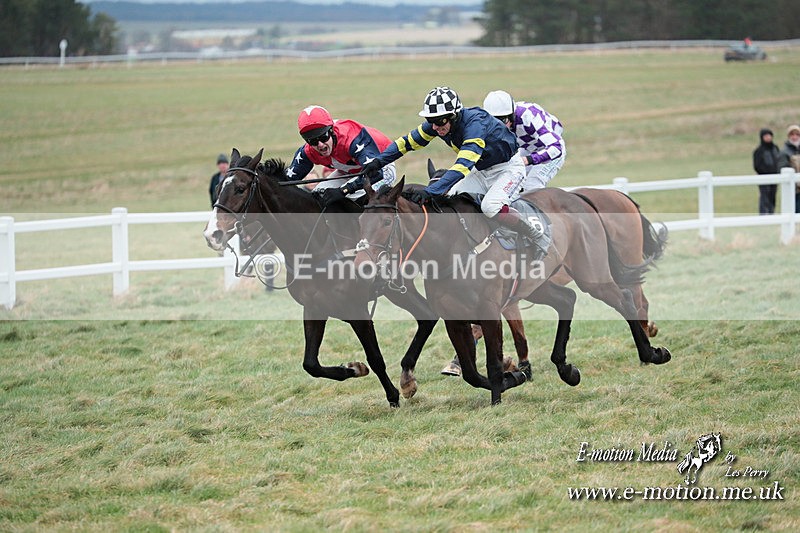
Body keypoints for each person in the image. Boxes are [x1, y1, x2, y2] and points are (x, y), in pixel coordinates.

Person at [361, 86, 543, 242]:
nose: (435, 127)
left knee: (490, 207)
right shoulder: (438, 124)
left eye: (439, 121)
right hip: (481, 170)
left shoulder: (475, 125)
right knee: (452, 201)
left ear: (454, 116)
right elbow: (405, 143)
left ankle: (534, 235)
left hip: (508, 169)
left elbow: (462, 166)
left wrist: (430, 192)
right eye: (430, 121)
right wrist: (378, 162)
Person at [285, 105, 397, 209]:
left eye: (323, 137)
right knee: (319, 195)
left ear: (331, 130)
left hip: (381, 168)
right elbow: (286, 181)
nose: (320, 145)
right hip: (351, 171)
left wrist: (343, 190)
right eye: (312, 141)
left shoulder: (352, 139)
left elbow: (375, 174)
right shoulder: (308, 151)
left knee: (353, 195)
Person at [482, 90, 565, 192]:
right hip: (526, 149)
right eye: (494, 121)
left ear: (512, 115)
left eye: (503, 121)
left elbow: (556, 147)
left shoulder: (528, 116)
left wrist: (528, 159)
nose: (499, 127)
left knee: (532, 185)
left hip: (551, 150)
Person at [752, 128, 780, 215]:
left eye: (769, 136)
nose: (768, 138)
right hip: (764, 178)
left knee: (772, 196)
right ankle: (763, 215)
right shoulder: (759, 151)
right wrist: (765, 173)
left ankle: (771, 213)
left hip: (775, 177)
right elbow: (757, 165)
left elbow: (778, 161)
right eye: (766, 136)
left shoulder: (775, 148)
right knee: (764, 197)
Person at [778, 124, 800, 213]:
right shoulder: (784, 152)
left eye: (797, 134)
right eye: (792, 134)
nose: (795, 137)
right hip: (794, 191)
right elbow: (782, 169)